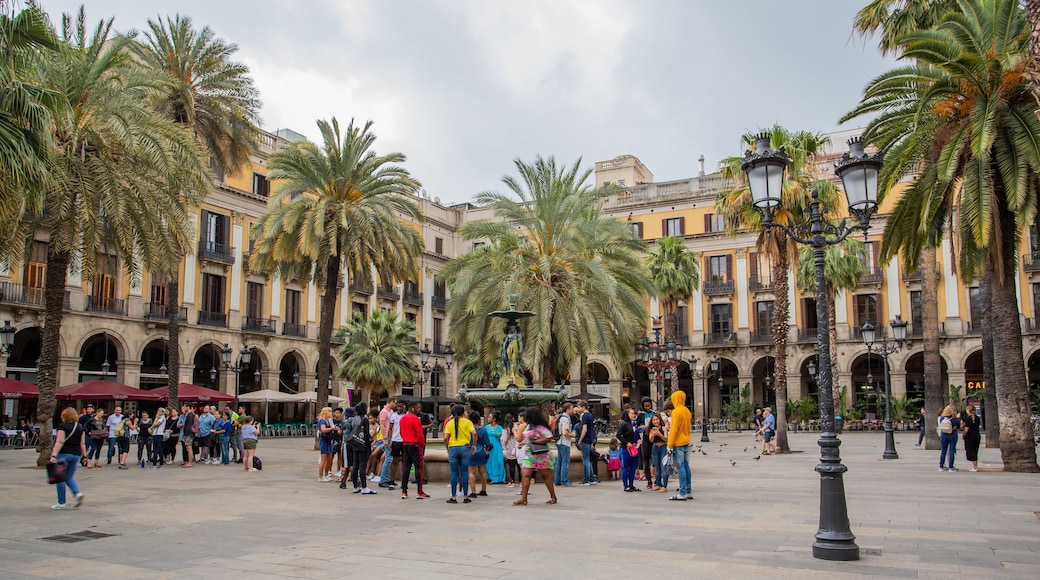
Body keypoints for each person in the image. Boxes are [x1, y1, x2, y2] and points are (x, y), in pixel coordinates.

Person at [514, 406, 558, 506]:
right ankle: (523, 499)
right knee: (525, 475)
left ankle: (553, 497)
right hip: (530, 453)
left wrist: (535, 441)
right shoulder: (529, 426)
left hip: (540, 454)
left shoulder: (540, 427)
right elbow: (528, 437)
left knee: (545, 476)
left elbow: (549, 437)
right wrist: (524, 442)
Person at [49, 407, 87, 510]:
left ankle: (61, 502)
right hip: (76, 455)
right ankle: (77, 493)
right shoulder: (80, 427)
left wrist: (53, 455)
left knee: (59, 478)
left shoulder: (62, 426)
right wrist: (84, 456)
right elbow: (82, 443)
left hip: (64, 454)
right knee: (69, 477)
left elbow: (60, 441)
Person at [443, 404, 475, 504]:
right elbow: (474, 433)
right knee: (464, 472)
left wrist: (448, 447)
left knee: (454, 473)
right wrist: (473, 445)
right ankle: (465, 496)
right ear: (463, 413)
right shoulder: (468, 422)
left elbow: (445, 438)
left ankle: (453, 497)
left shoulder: (450, 423)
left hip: (453, 448)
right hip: (465, 447)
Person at [399, 401, 428, 499]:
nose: (419, 410)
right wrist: (422, 444)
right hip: (415, 445)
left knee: (406, 468)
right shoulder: (415, 419)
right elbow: (420, 434)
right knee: (418, 468)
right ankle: (419, 491)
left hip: (405, 444)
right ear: (412, 408)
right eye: (417, 408)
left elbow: (401, 432)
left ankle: (404, 491)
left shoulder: (402, 419)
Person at [666, 390, 692, 501]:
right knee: (686, 466)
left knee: (680, 467)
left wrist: (669, 445)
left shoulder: (676, 412)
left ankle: (682, 493)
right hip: (686, 441)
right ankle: (688, 490)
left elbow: (674, 430)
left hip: (678, 443)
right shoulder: (687, 411)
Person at [347, 402, 377, 494]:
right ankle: (364, 487)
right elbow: (366, 435)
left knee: (355, 465)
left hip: (355, 443)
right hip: (363, 445)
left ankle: (355, 486)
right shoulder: (364, 420)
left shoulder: (353, 419)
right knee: (362, 466)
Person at [616, 408, 640, 492]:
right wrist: (626, 443)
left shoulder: (634, 424)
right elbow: (618, 435)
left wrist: (638, 439)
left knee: (633, 467)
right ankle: (626, 485)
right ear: (627, 414)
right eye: (632, 413)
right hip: (626, 448)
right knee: (625, 467)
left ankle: (631, 484)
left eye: (634, 413)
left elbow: (636, 434)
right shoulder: (624, 424)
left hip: (634, 448)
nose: (633, 415)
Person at [467, 410, 490, 498]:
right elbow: (487, 443)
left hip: (471, 450)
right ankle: (484, 490)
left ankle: (473, 492)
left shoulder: (469, 429)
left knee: (471, 472)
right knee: (483, 472)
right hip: (481, 451)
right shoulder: (483, 429)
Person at [553, 403, 574, 487]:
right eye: (572, 409)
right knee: (565, 462)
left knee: (559, 462)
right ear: (568, 409)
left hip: (559, 442)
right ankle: (564, 480)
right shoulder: (565, 419)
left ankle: (557, 480)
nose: (573, 411)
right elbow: (565, 432)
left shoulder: (560, 417)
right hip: (564, 443)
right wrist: (573, 435)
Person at [576, 401, 596, 485]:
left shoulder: (584, 416)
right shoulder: (590, 415)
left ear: (584, 407)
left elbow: (585, 429)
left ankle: (587, 479)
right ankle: (591, 478)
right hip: (589, 439)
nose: (578, 409)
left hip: (585, 439)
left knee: (585, 459)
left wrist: (580, 440)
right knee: (587, 459)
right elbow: (591, 429)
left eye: (579, 407)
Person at [647, 412, 669, 492]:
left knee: (663, 467)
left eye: (657, 419)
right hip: (655, 447)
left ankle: (664, 486)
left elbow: (666, 439)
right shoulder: (651, 429)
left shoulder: (664, 428)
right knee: (657, 467)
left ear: (659, 420)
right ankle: (658, 484)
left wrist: (659, 434)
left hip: (663, 447)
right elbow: (651, 440)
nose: (656, 421)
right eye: (654, 420)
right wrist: (653, 434)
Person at [637, 397, 655, 489]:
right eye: (645, 406)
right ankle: (648, 479)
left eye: (649, 405)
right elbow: (637, 426)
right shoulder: (641, 415)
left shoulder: (654, 413)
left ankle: (657, 479)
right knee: (646, 460)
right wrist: (643, 428)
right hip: (646, 438)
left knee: (656, 458)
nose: (648, 407)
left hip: (655, 438)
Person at [938, 405, 962, 472]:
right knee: (951, 450)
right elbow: (958, 427)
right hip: (952, 435)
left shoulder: (942, 418)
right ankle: (951, 467)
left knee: (943, 451)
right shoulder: (955, 419)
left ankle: (941, 466)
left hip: (943, 435)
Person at [485, 411, 506, 484]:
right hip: (489, 446)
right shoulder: (486, 427)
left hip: (497, 446)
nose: (488, 419)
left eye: (490, 417)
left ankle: (500, 478)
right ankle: (490, 478)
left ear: (494, 419)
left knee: (499, 461)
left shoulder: (500, 428)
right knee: (489, 462)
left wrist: (499, 436)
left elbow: (503, 437)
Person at [317, 406, 337, 482]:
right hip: (324, 440)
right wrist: (332, 429)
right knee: (324, 458)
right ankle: (320, 475)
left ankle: (326, 474)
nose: (331, 413)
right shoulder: (322, 421)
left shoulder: (329, 420)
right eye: (329, 412)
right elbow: (323, 429)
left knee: (329, 457)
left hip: (329, 440)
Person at [962, 404, 982, 472]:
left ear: (968, 410)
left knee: (970, 450)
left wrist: (964, 434)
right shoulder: (977, 418)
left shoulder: (968, 418)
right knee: (975, 450)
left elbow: (966, 429)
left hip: (970, 436)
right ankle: (975, 466)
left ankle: (975, 467)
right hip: (977, 435)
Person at [502, 414, 518, 486]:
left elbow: (504, 439)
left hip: (510, 447)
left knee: (511, 466)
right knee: (519, 465)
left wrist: (504, 446)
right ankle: (520, 481)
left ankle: (512, 481)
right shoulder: (517, 426)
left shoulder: (506, 428)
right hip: (517, 446)